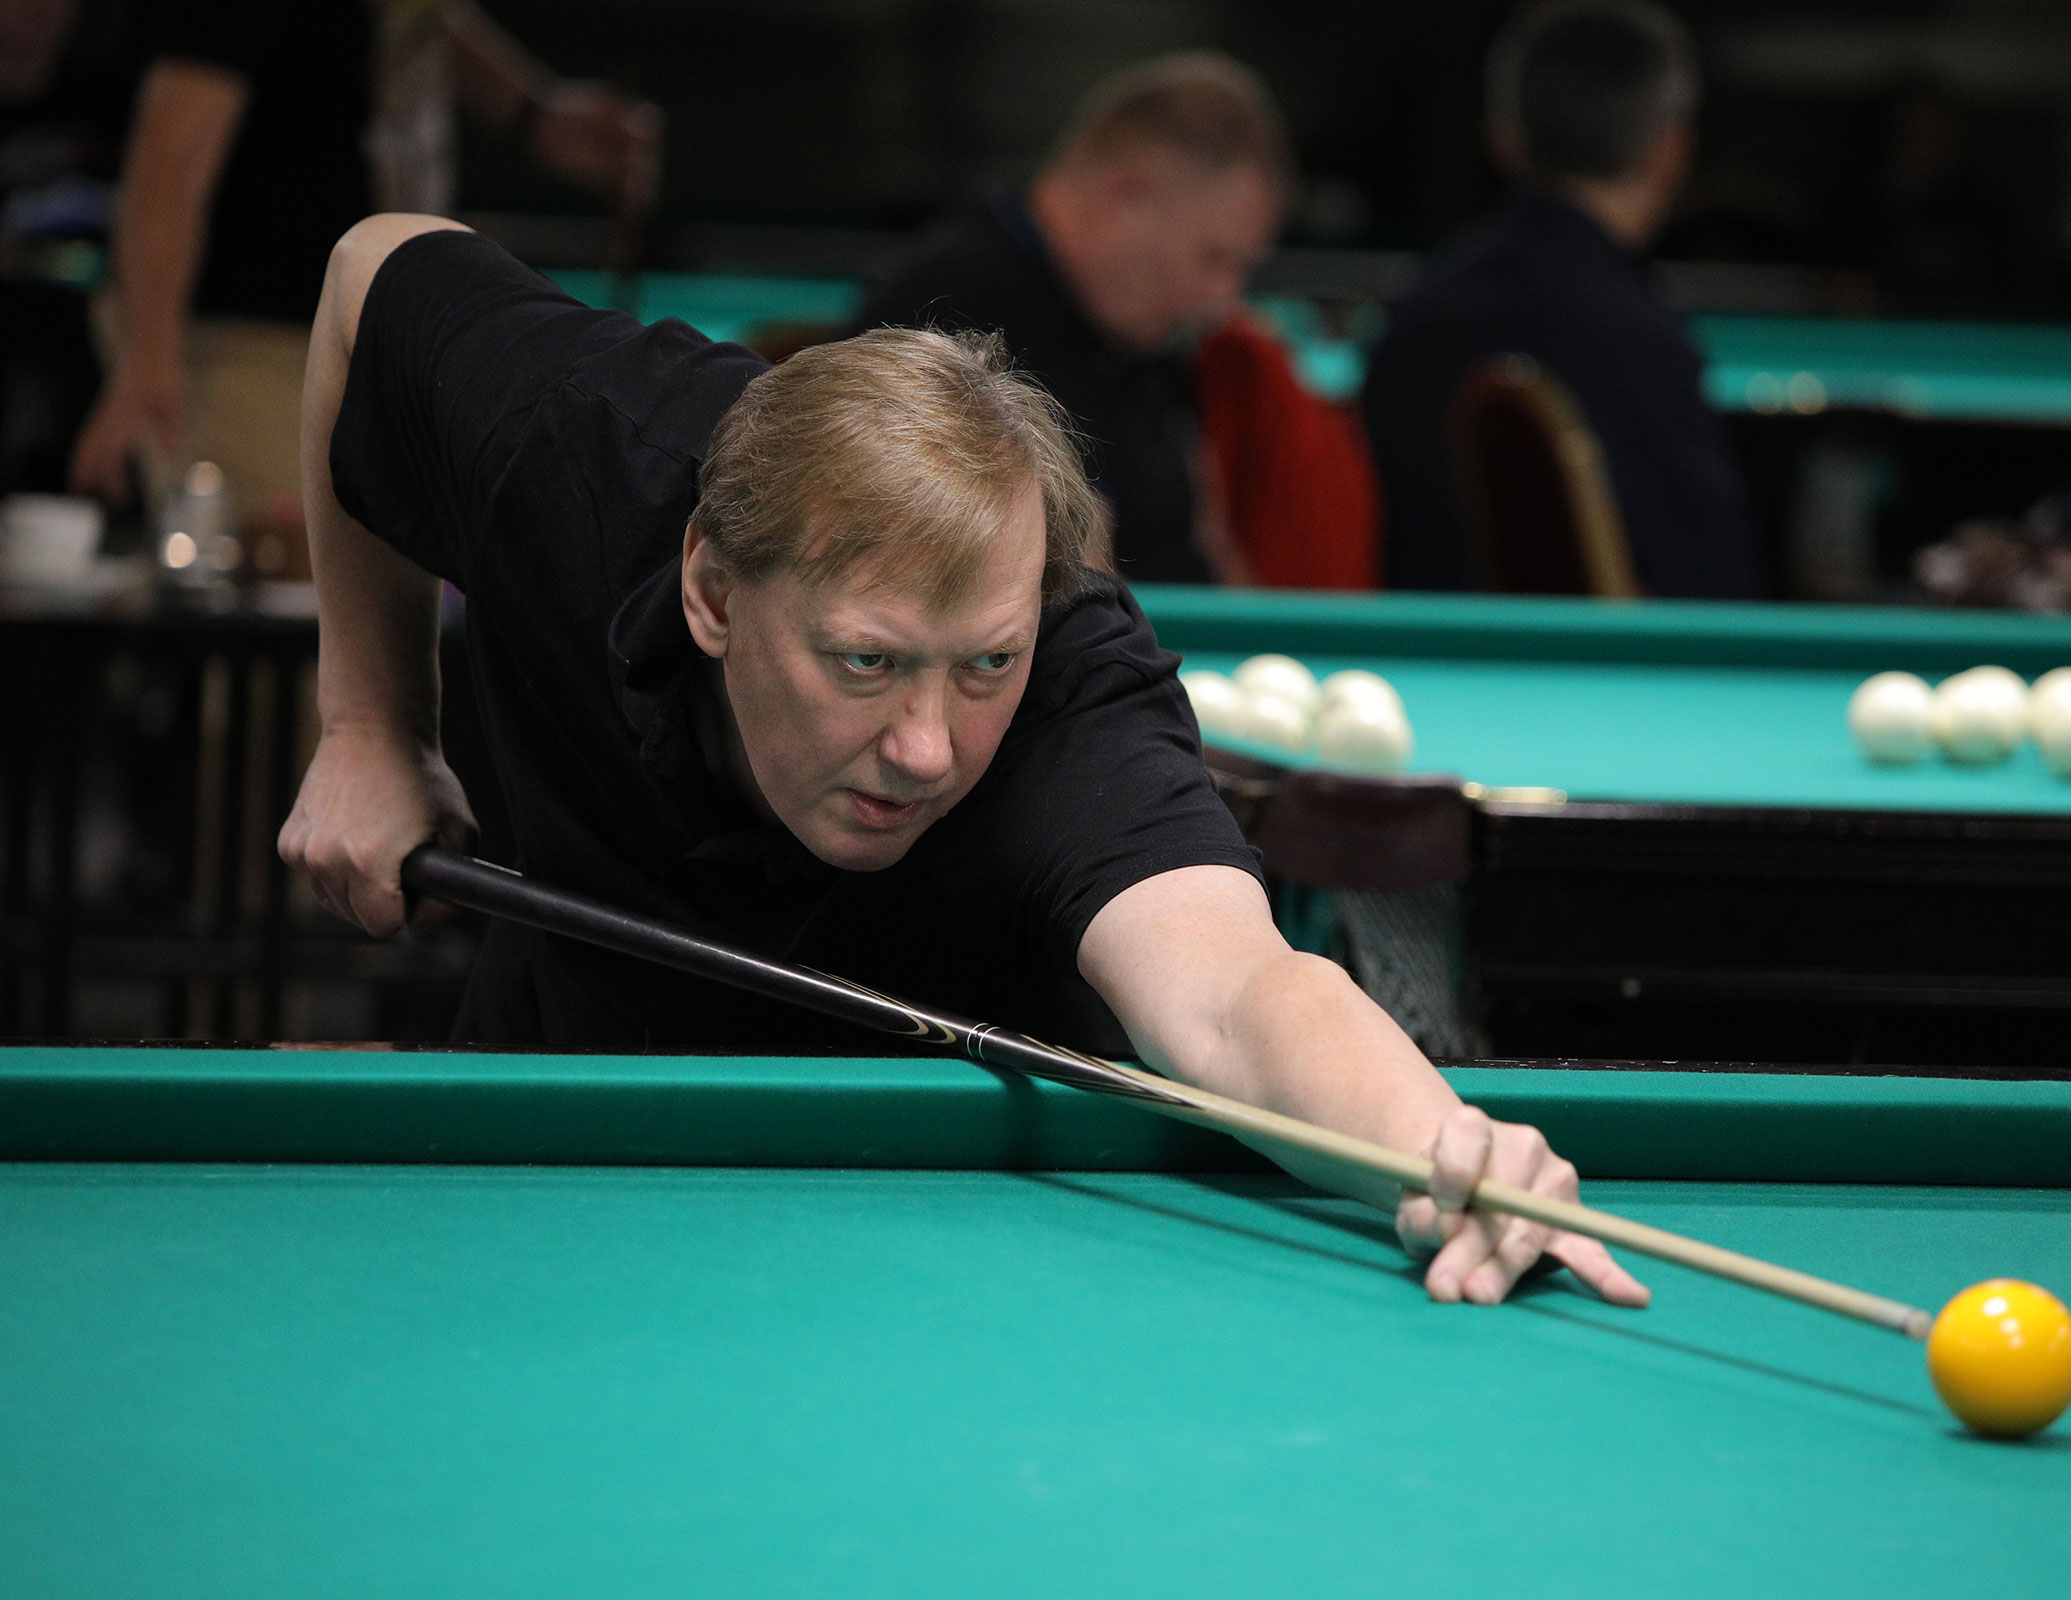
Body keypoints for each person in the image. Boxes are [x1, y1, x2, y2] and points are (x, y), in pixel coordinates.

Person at [278, 210, 1652, 1312]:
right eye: (864, 662)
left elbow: (1238, 994)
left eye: (982, 663)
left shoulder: (1074, 696)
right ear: (711, 588)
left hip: (967, 1255)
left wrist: (1437, 1143)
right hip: (551, 1162)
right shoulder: (583, 444)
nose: (927, 749)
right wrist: (370, 725)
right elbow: (367, 272)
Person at [68, 0, 657, 573]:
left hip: (356, 339)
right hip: (245, 345)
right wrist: (147, 361)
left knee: (368, 594)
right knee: (288, 595)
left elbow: (417, 17)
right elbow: (169, 155)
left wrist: (533, 112)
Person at [857, 51, 1376, 589]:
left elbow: (1199, 541)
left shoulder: (1139, 332)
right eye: (1213, 258)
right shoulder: (942, 316)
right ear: (1127, 197)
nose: (1223, 298)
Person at [1363, 0, 1763, 597]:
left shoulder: (1412, 313)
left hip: (1410, 656)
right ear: (1670, 151)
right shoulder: (1644, 340)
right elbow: (1716, 596)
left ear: (1504, 139)